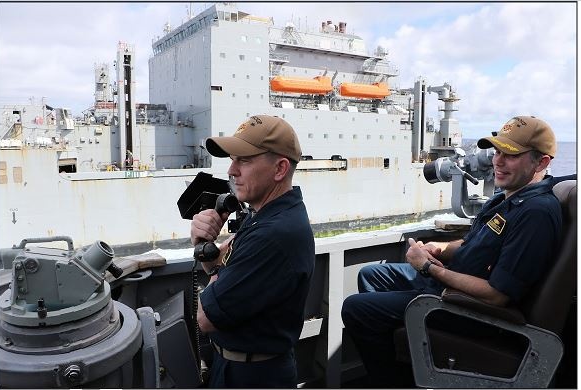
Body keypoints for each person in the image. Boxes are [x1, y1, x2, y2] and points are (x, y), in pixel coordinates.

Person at [341, 115, 563, 388]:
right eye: (497, 152)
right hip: (453, 285)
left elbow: (496, 295)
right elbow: (473, 243)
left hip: (474, 311)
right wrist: (440, 249)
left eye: (511, 155)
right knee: (373, 275)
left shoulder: (535, 213)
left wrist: (429, 268)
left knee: (357, 309)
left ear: (541, 162)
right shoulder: (508, 198)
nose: (498, 161)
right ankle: (409, 359)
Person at [191, 115, 315, 388]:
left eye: (244, 160)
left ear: (280, 169)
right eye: (232, 160)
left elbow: (206, 318)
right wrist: (203, 247)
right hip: (235, 365)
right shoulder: (263, 215)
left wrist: (218, 273)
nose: (231, 171)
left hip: (254, 376)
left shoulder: (274, 234)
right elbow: (221, 270)